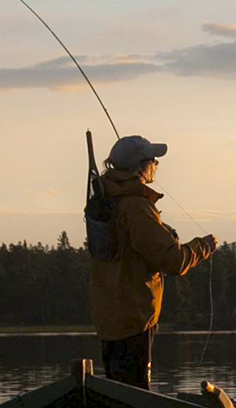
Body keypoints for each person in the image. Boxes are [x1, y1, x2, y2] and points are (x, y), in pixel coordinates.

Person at [90, 135, 218, 390]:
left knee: (120, 393)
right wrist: (204, 246)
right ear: (140, 166)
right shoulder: (135, 207)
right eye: (154, 159)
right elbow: (174, 261)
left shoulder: (109, 201)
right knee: (135, 395)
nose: (157, 164)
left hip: (109, 317)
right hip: (134, 317)